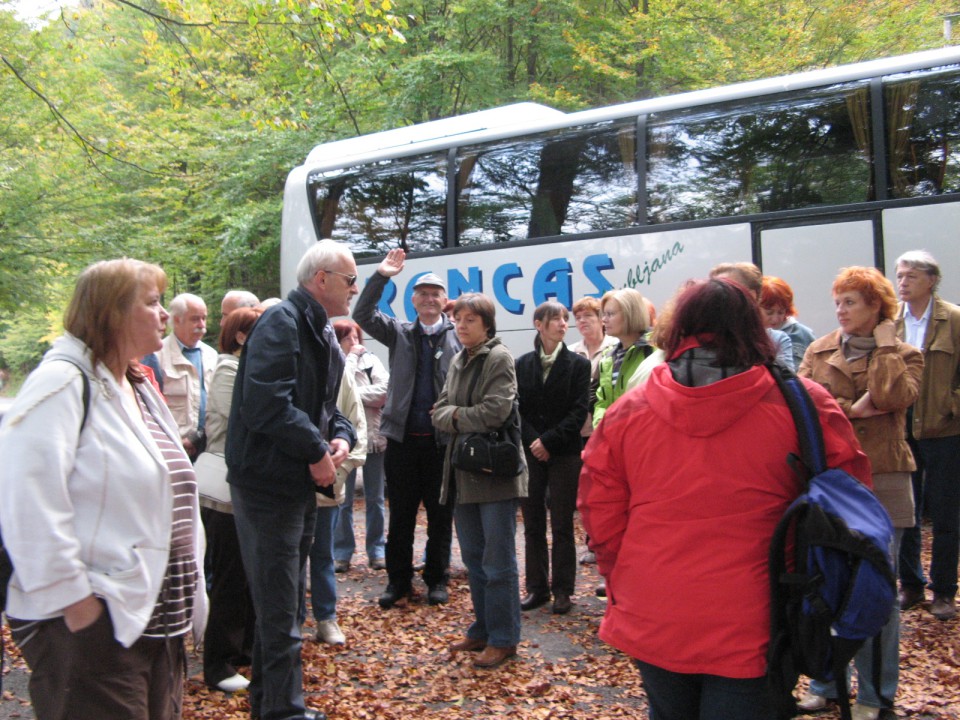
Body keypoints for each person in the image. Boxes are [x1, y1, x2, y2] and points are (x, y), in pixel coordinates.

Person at [578, 278, 870, 720]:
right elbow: (849, 503)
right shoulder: (803, 404)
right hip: (758, 614)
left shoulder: (628, 411)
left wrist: (622, 575)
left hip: (654, 604)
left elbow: (600, 510)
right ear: (753, 327)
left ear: (678, 329)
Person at [0, 258, 207, 720]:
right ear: (111, 312)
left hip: (157, 625)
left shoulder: (134, 383)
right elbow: (24, 499)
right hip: (97, 632)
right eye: (152, 303)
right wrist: (75, 603)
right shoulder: (60, 384)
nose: (163, 315)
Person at [226, 239, 359, 720]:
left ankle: (270, 705)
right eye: (350, 279)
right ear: (320, 279)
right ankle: (284, 712)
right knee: (281, 609)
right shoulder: (281, 321)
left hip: (294, 483)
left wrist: (339, 437)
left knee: (280, 606)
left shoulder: (319, 328)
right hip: (266, 486)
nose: (355, 288)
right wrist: (314, 450)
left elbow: (325, 408)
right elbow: (266, 405)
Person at [797, 266, 923, 720]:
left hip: (885, 479)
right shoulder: (819, 349)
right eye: (839, 301)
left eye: (851, 302)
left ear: (876, 307)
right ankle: (825, 682)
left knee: (879, 592)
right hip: (834, 481)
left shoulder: (905, 352)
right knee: (826, 579)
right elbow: (805, 404)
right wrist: (852, 410)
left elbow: (893, 397)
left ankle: (875, 695)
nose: (841, 310)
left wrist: (886, 343)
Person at [353, 248, 461, 608]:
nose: (429, 299)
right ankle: (398, 582)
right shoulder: (399, 332)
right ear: (413, 300)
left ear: (445, 301)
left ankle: (436, 579)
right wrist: (381, 276)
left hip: (441, 443)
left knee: (440, 516)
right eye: (423, 293)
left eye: (436, 294)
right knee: (400, 516)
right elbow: (362, 314)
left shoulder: (458, 336)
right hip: (401, 441)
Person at [432, 293, 527, 670]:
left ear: (487, 323)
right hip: (461, 473)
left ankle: (504, 638)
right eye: (458, 319)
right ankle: (483, 628)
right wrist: (453, 415)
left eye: (470, 319)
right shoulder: (457, 359)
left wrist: (453, 416)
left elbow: (496, 411)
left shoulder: (498, 358)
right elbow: (438, 410)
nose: (462, 325)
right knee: (474, 558)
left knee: (498, 560)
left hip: (494, 475)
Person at [894, 250, 960, 621]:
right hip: (902, 429)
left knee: (947, 514)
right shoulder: (891, 323)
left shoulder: (953, 319)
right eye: (900, 276)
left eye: (911, 277)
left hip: (946, 430)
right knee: (907, 513)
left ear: (931, 280)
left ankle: (945, 591)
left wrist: (951, 404)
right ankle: (911, 585)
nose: (902, 283)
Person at [200, 306, 262, 693]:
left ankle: (245, 651)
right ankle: (217, 663)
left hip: (249, 487)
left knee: (248, 573)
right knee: (228, 575)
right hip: (224, 490)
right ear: (240, 336)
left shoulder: (249, 370)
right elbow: (245, 416)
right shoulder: (227, 369)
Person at [515, 301, 590, 615]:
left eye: (564, 319)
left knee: (561, 523)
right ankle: (537, 588)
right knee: (532, 524)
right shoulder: (522, 364)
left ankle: (563, 590)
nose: (563, 324)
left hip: (565, 452)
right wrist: (534, 441)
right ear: (539, 324)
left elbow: (578, 411)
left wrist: (548, 440)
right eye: (556, 318)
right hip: (531, 453)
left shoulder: (578, 364)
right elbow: (517, 409)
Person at [309, 370, 367, 646]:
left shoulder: (339, 372)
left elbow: (355, 423)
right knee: (289, 560)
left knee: (322, 554)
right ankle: (291, 620)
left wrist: (337, 470)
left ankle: (326, 617)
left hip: (328, 483)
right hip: (287, 482)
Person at [332, 320, 389, 573]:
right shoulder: (332, 364)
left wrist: (352, 394)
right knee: (342, 500)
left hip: (374, 439)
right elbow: (335, 397)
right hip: (344, 441)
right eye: (347, 339)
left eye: (356, 338)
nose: (354, 344)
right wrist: (351, 362)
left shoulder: (372, 362)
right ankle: (342, 552)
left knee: (375, 498)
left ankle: (376, 550)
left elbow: (384, 393)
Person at [158, 292, 218, 460]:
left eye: (204, 318)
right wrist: (177, 441)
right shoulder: (157, 355)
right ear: (176, 320)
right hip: (172, 449)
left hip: (207, 447)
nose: (202, 324)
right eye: (195, 319)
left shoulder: (211, 355)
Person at [710, 262, 795, 370]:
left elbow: (786, 381)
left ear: (750, 295)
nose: (715, 298)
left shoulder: (775, 340)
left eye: (725, 290)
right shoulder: (700, 339)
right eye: (712, 290)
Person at [592, 287, 654, 428]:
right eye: (603, 314)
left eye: (610, 314)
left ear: (630, 314)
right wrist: (602, 428)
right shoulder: (608, 357)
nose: (603, 320)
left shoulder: (655, 349)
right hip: (615, 439)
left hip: (645, 437)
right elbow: (601, 402)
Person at [760, 275, 816, 369]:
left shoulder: (804, 335)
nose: (775, 319)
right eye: (769, 313)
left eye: (781, 312)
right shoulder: (749, 336)